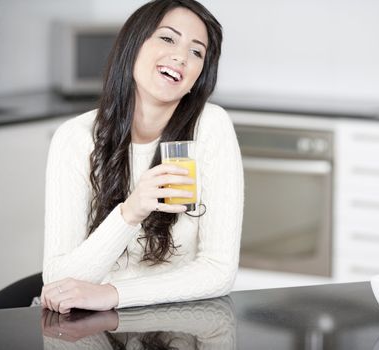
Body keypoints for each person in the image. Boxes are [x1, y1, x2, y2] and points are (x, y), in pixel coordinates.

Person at [40, 0, 243, 314]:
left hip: (179, 322)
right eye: (167, 38)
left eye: (196, 51)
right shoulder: (76, 137)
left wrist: (113, 293)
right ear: (132, 46)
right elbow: (59, 283)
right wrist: (130, 212)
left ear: (198, 76)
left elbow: (218, 270)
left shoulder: (210, 127)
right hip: (91, 327)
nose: (180, 56)